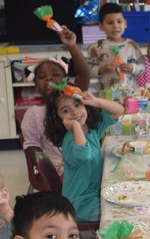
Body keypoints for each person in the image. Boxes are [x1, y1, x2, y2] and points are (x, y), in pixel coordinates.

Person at [44, 88, 124, 223]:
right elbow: (84, 155)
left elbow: (119, 111)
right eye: (65, 110)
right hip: (81, 204)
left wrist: (94, 101)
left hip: (94, 196)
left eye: (77, 104)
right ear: (58, 119)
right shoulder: (70, 140)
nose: (74, 112)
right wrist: (75, 125)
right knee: (119, 213)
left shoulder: (91, 129)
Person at [19, 56, 90, 175]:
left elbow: (84, 74)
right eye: (42, 77)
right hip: (60, 170)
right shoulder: (34, 113)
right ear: (35, 85)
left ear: (65, 79)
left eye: (55, 74)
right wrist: (49, 168)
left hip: (85, 161)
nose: (49, 78)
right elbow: (32, 145)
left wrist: (71, 46)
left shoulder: (76, 103)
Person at [63, 3, 145, 90]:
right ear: (101, 26)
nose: (115, 26)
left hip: (130, 94)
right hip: (106, 94)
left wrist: (132, 67)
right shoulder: (96, 47)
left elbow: (142, 67)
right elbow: (87, 70)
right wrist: (101, 69)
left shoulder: (132, 45)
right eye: (110, 23)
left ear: (125, 23)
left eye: (119, 22)